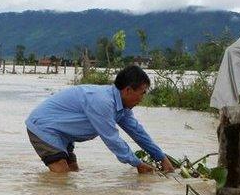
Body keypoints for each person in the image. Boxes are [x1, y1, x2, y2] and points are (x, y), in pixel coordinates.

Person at [25, 65, 174, 174]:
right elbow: (112, 138)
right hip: (44, 128)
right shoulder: (103, 102)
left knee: (73, 172)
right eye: (142, 93)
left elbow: (138, 133)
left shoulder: (122, 107)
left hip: (64, 134)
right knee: (61, 176)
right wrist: (137, 163)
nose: (142, 98)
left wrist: (161, 157)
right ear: (128, 90)